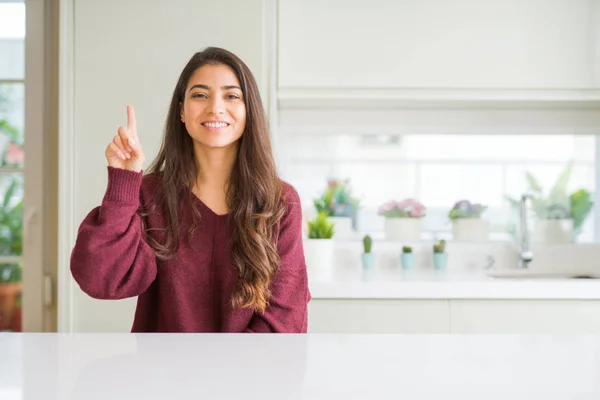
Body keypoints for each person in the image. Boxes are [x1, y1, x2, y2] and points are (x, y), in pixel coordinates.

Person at [70, 47, 310, 333]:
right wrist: (123, 180)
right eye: (200, 95)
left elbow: (285, 320)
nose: (215, 108)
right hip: (162, 375)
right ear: (182, 111)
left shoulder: (280, 201)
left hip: (248, 374)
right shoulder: (150, 194)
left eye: (231, 96)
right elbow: (102, 280)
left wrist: (224, 374)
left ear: (249, 112)